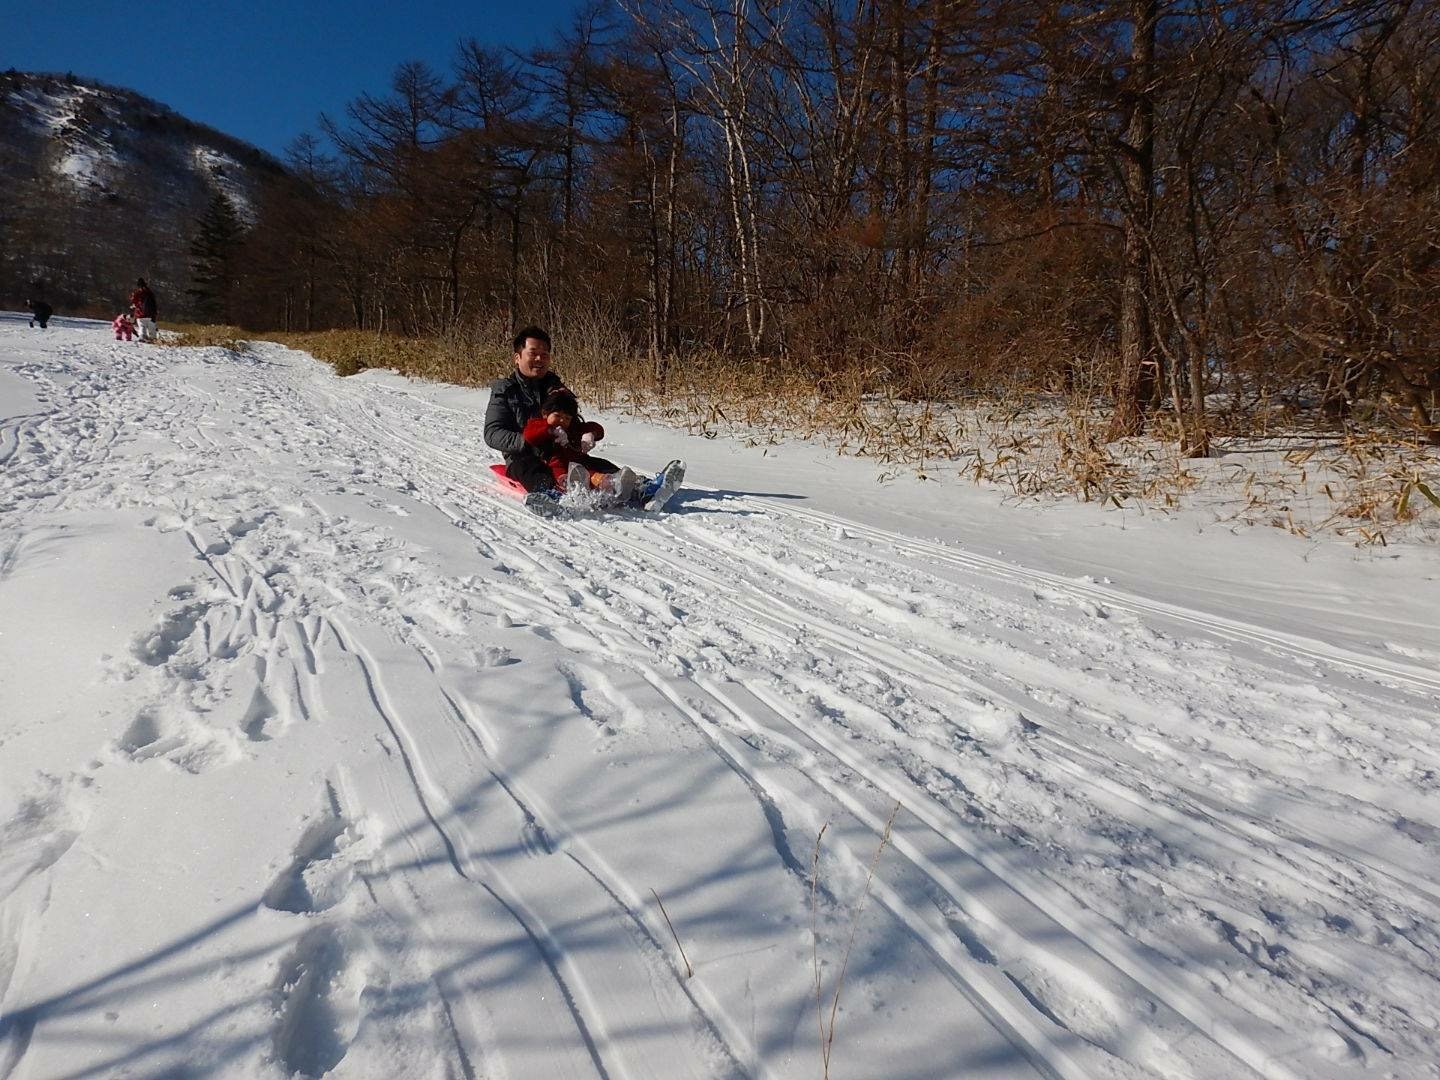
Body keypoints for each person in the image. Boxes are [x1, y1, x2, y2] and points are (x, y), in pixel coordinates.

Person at [484, 325, 686, 510]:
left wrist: (583, 435)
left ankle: (643, 489)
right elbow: (493, 433)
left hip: (562, 451)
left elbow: (573, 419)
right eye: (533, 353)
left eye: (544, 354)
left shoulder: (556, 387)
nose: (539, 359)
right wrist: (528, 441)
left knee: (594, 465)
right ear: (517, 357)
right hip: (524, 456)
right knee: (531, 469)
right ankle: (550, 497)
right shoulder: (505, 390)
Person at [522, 386, 636, 500]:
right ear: (545, 413)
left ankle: (617, 483)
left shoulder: (573, 428)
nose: (562, 420)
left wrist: (591, 434)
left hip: (580, 462)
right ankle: (568, 489)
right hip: (556, 465)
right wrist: (550, 430)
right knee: (563, 475)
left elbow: (597, 428)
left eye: (567, 418)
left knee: (597, 466)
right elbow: (529, 435)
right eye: (557, 416)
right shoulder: (539, 424)